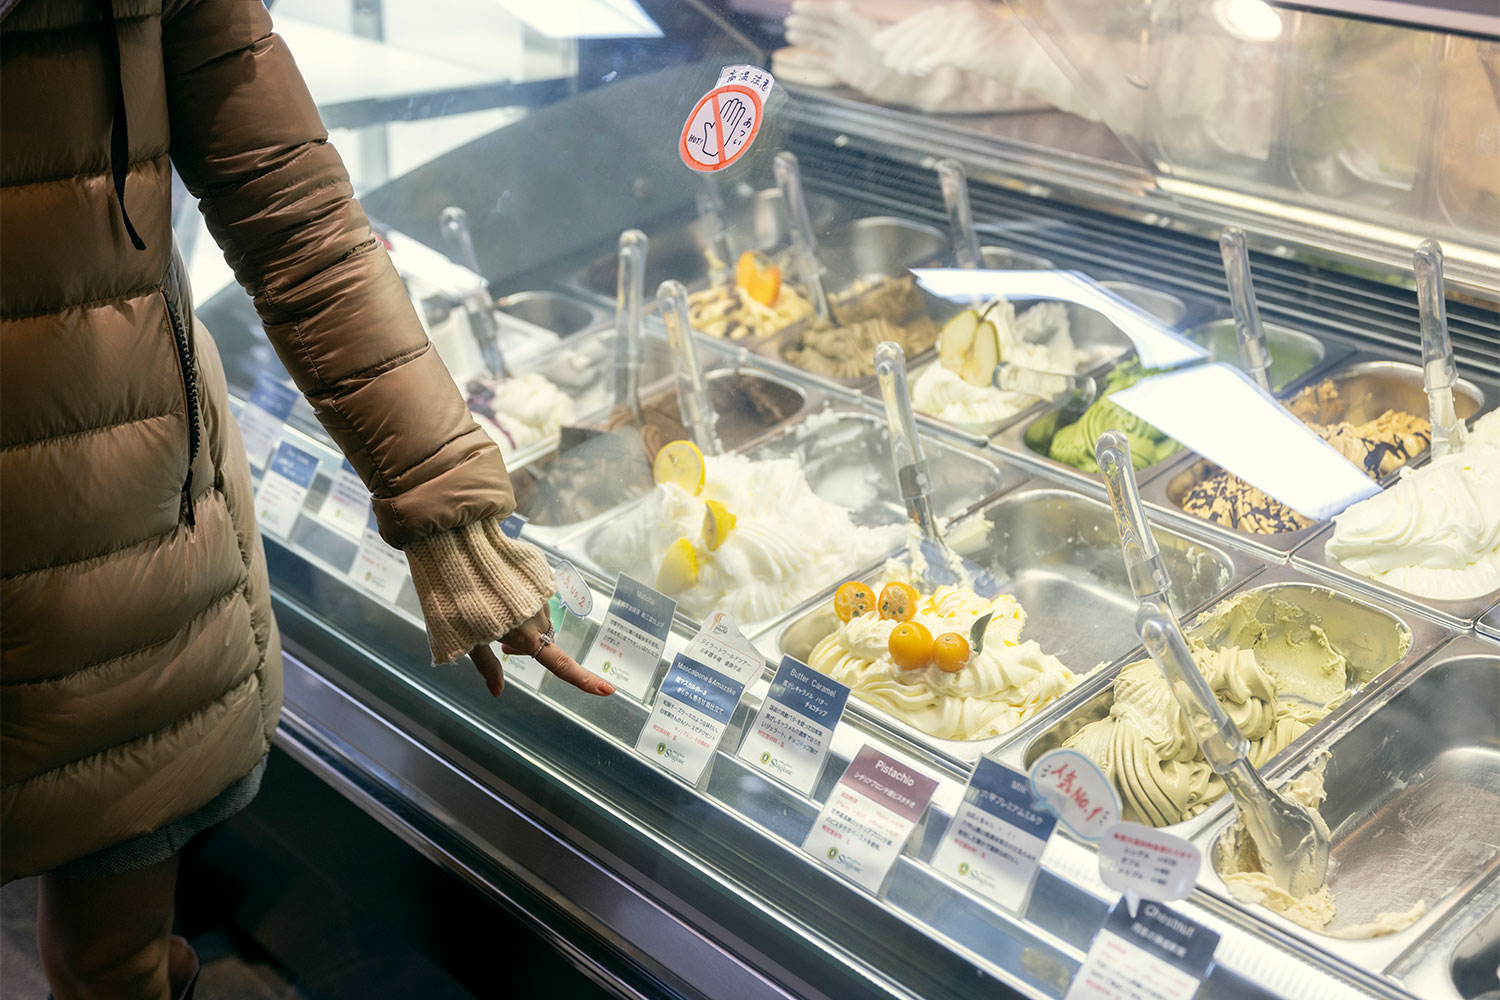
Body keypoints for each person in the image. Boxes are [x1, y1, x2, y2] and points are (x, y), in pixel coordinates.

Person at [0, 2, 612, 997]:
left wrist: (442, 504)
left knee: (112, 963)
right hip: (120, 526)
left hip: (117, 533)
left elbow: (292, 211)